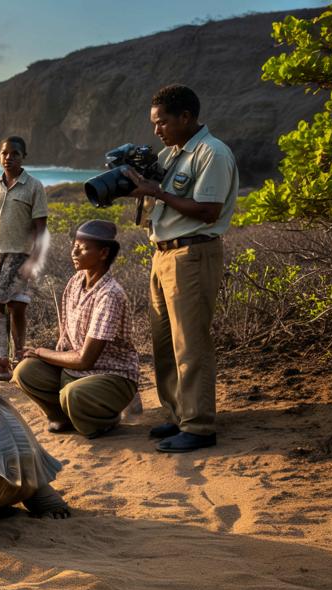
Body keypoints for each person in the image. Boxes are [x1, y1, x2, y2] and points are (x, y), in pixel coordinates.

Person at [126, 84, 238, 453]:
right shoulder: (173, 153)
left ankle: (199, 425)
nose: (157, 130)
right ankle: (178, 414)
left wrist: (156, 192)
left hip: (192, 254)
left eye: (162, 123)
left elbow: (208, 211)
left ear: (186, 117)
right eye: (154, 123)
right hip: (163, 254)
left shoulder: (212, 153)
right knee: (164, 344)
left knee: (190, 342)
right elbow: (166, 197)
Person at [13, 220, 140, 439]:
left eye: (83, 248)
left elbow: (85, 361)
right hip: (74, 371)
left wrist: (42, 352)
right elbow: (65, 337)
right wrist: (44, 358)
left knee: (73, 394)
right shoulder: (75, 281)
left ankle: (105, 420)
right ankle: (61, 417)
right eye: (75, 245)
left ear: (103, 253)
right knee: (25, 371)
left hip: (109, 376)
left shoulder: (110, 295)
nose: (75, 251)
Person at [0, 136, 48, 381]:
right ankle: (0, 362)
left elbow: (40, 228)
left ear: (23, 157)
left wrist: (34, 261)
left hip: (20, 254)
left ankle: (19, 361)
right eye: (5, 153)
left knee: (17, 307)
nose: (9, 158)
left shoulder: (34, 186)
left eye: (15, 154)